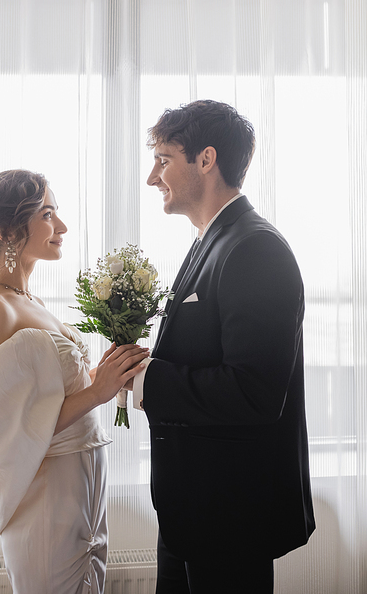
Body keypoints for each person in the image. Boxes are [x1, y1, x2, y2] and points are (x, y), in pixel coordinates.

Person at [131, 100, 315, 593]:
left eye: (164, 159)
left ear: (206, 159)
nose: (153, 177)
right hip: (193, 510)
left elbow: (254, 391)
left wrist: (147, 378)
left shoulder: (255, 248)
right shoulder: (211, 240)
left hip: (229, 516)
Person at [0, 169, 148, 594]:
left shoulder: (31, 301)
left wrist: (111, 369)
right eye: (47, 214)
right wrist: (97, 392)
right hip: (46, 492)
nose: (61, 226)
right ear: (6, 229)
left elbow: (48, 397)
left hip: (83, 482)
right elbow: (2, 424)